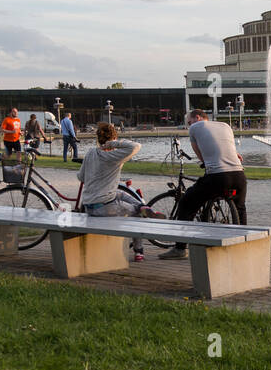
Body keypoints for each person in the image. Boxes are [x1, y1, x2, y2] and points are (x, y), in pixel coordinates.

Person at [161, 109, 249, 258]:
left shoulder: (195, 127)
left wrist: (205, 163)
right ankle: (244, 246)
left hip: (218, 177)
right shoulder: (225, 125)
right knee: (240, 209)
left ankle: (180, 249)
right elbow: (230, 149)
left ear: (197, 117)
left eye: (189, 122)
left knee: (186, 204)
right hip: (239, 175)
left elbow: (199, 153)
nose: (189, 126)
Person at [77, 122, 151, 262]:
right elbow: (136, 146)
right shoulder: (114, 156)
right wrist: (114, 144)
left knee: (120, 194)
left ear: (98, 138)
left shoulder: (90, 153)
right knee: (137, 214)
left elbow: (80, 177)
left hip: (88, 205)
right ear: (113, 139)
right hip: (104, 208)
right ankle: (138, 251)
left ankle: (140, 204)